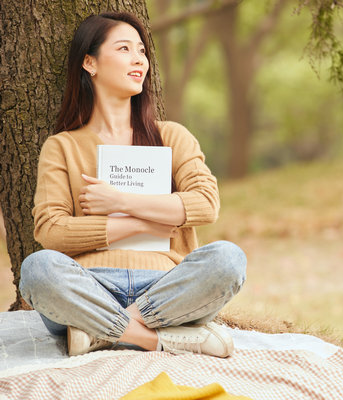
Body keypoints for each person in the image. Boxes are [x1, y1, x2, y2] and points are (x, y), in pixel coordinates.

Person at [18, 12, 246, 358]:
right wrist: (146, 221)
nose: (139, 59)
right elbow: (51, 231)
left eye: (141, 51)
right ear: (89, 63)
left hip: (167, 288)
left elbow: (205, 204)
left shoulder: (172, 136)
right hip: (90, 287)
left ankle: (103, 331)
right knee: (37, 269)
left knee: (229, 259)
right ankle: (158, 339)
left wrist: (119, 200)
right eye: (124, 48)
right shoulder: (61, 146)